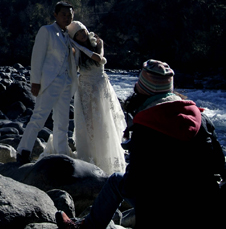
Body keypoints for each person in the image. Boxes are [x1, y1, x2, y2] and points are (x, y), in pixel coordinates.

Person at [56, 59, 225, 229]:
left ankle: (85, 228)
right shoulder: (202, 119)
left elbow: (133, 183)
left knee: (116, 181)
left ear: (143, 92)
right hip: (205, 207)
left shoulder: (146, 126)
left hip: (162, 209)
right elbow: (219, 165)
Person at [17, 1, 78, 164]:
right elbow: (37, 57)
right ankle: (24, 150)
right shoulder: (47, 31)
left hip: (66, 83)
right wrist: (35, 82)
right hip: (49, 82)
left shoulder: (70, 35)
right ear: (55, 15)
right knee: (38, 118)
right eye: (64, 14)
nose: (67, 17)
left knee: (63, 121)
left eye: (70, 15)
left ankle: (61, 152)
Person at [67, 21, 126, 175]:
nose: (81, 35)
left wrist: (78, 45)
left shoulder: (97, 43)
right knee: (89, 123)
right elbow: (73, 68)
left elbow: (99, 59)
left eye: (82, 31)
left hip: (100, 85)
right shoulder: (75, 50)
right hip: (85, 87)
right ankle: (90, 158)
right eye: (77, 34)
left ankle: (106, 159)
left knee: (105, 120)